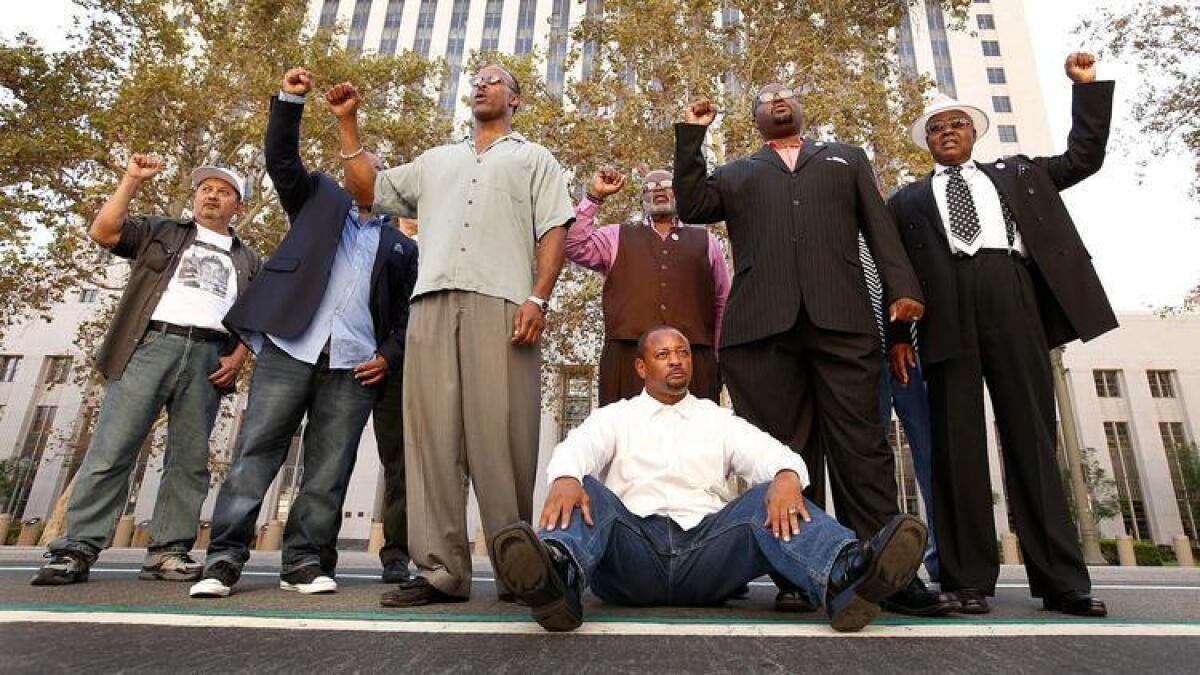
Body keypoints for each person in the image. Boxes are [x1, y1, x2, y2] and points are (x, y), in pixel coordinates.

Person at [673, 87, 952, 615]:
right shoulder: (736, 173)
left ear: (802, 111)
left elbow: (879, 226)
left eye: (787, 95)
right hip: (761, 332)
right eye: (766, 97)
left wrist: (903, 288)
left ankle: (887, 573)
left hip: (843, 321)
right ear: (755, 119)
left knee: (862, 446)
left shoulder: (845, 158)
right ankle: (801, 569)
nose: (778, 100)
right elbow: (692, 205)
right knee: (786, 454)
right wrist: (692, 136)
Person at [490, 326, 928, 633]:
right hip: (632, 555)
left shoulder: (716, 418)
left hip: (708, 555)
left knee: (769, 493)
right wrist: (566, 477)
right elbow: (574, 449)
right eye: (663, 355)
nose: (677, 361)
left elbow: (774, 453)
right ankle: (556, 577)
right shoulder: (616, 416)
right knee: (586, 488)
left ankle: (846, 575)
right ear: (642, 368)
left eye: (682, 353)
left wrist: (787, 476)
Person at [337, 64, 575, 607]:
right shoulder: (435, 161)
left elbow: (555, 229)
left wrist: (538, 297)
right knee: (431, 440)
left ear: (515, 99)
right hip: (432, 305)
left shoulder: (534, 158)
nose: (481, 85)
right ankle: (442, 572)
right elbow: (369, 188)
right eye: (477, 80)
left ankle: (519, 568)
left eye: (495, 81)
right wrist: (348, 123)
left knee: (503, 434)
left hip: (505, 303)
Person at [886, 53, 1115, 617]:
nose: (947, 133)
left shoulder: (1017, 173)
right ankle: (966, 580)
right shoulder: (906, 199)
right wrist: (893, 336)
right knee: (955, 448)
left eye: (956, 125)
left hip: (1012, 296)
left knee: (1034, 440)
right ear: (927, 143)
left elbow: (1084, 157)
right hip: (942, 315)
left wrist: (1086, 90)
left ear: (973, 134)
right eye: (936, 129)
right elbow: (889, 270)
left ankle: (1063, 582)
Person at [189, 68, 418, 598]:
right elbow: (281, 160)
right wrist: (291, 100)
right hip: (290, 349)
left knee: (329, 468)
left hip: (355, 364)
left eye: (375, 173)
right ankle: (223, 559)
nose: (366, 177)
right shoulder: (318, 200)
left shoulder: (402, 246)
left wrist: (387, 354)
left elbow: (406, 315)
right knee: (257, 452)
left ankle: (304, 562)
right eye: (359, 169)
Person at [32, 158, 260, 586]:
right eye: (205, 188)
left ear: (239, 206)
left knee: (190, 461)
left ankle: (168, 551)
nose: (211, 195)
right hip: (150, 345)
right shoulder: (162, 231)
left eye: (223, 191)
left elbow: (255, 315)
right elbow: (104, 231)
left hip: (210, 356)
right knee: (113, 449)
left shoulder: (248, 259)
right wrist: (131, 180)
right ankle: (75, 548)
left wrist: (239, 356)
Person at [566, 168, 730, 404]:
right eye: (651, 188)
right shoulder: (616, 236)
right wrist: (594, 197)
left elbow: (722, 301)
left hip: (693, 362)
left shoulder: (706, 241)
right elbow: (575, 246)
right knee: (627, 438)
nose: (659, 190)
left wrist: (718, 357)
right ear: (642, 200)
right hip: (627, 361)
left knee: (695, 438)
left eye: (666, 184)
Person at [860, 239, 941, 583]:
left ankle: (944, 559)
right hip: (864, 359)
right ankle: (884, 559)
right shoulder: (839, 229)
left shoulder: (892, 223)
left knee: (932, 456)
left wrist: (899, 336)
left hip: (912, 353)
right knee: (872, 462)